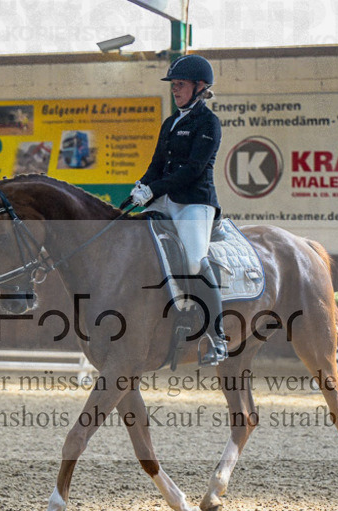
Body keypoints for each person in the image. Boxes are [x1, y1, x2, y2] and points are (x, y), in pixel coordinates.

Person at [130, 54, 227, 365]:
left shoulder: (209, 122)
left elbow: (194, 169)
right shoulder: (171, 123)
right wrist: (140, 187)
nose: (175, 89)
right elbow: (156, 165)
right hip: (167, 198)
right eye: (173, 85)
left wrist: (155, 189)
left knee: (195, 261)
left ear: (200, 87)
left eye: (180, 84)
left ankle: (218, 335)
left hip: (195, 201)